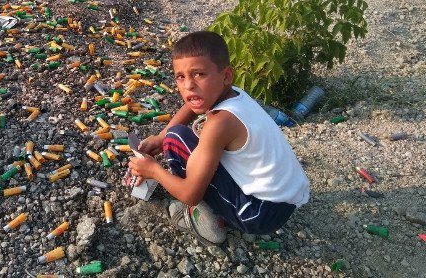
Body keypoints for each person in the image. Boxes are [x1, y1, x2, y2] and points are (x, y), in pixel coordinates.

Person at [128, 31, 309, 244]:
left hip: (258, 215)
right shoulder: (234, 94)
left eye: (199, 74)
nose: (188, 86)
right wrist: (160, 137)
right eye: (180, 76)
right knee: (172, 135)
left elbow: (190, 194)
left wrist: (153, 171)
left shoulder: (221, 123)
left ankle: (208, 221)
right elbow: (191, 104)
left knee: (176, 140)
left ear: (225, 76)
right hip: (286, 200)